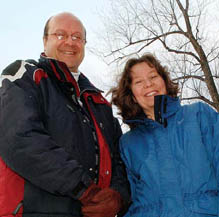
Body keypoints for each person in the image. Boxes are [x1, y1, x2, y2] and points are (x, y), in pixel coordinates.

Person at [0, 12, 130, 217]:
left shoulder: (99, 103)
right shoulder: (24, 76)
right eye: (60, 35)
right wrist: (84, 189)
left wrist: (117, 197)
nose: (70, 42)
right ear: (45, 41)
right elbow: (20, 139)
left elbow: (120, 159)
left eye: (77, 37)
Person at [111, 53, 219, 216]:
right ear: (132, 95)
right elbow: (128, 202)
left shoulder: (200, 116)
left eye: (153, 76)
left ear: (164, 81)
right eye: (139, 82)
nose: (149, 84)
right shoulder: (128, 144)